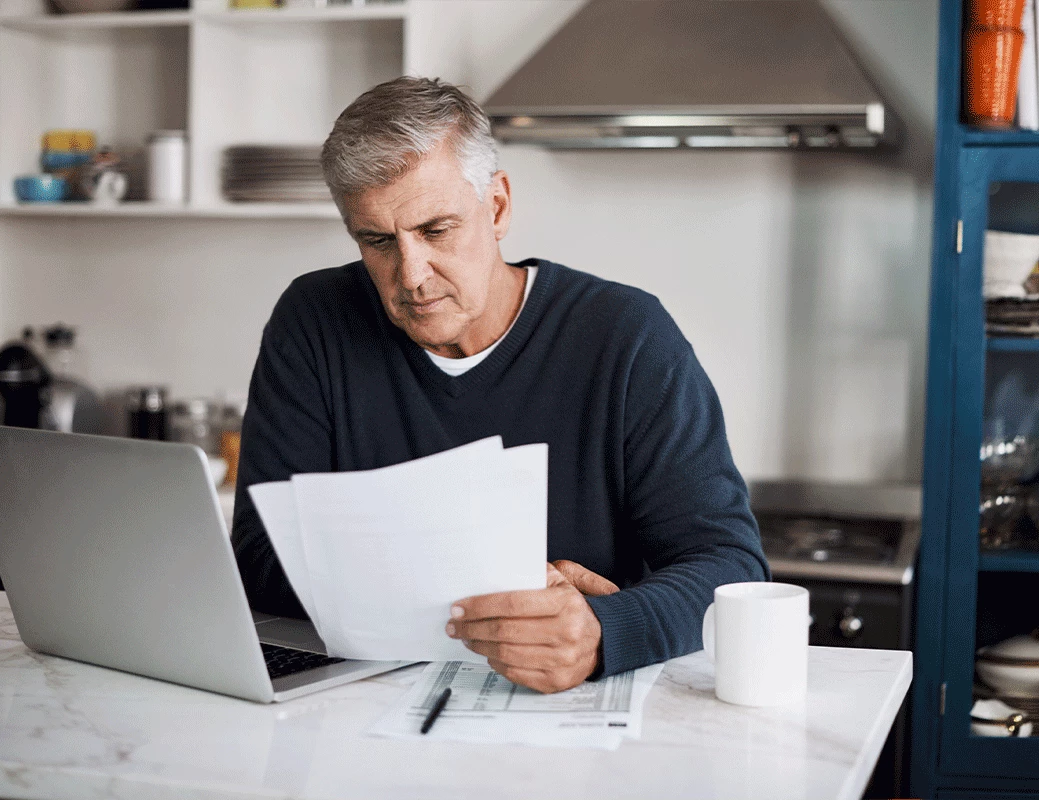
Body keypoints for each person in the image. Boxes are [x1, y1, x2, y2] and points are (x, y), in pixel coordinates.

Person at [232, 76, 768, 694]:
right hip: (359, 699)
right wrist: (482, 590)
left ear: (498, 206)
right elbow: (260, 555)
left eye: (436, 230)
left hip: (569, 704)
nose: (411, 275)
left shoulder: (627, 337)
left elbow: (731, 569)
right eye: (376, 241)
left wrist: (601, 631)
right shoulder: (314, 320)